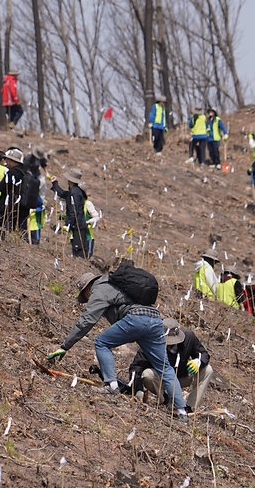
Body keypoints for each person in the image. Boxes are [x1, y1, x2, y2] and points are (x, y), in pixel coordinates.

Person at [47, 272, 188, 419]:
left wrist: (65, 346)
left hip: (136, 319)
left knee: (101, 342)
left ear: (88, 288)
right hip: (155, 320)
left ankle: (111, 385)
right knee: (165, 367)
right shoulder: (116, 284)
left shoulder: (99, 289)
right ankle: (182, 411)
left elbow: (86, 321)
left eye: (85, 295)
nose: (87, 299)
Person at [129, 318, 211, 410]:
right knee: (147, 374)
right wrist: (138, 389)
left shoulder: (189, 337)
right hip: (160, 379)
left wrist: (199, 361)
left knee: (207, 370)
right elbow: (136, 367)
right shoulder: (151, 342)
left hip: (181, 376)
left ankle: (189, 406)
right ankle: (166, 400)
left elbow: (203, 354)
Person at [50, 168, 89, 257]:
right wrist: (55, 184)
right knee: (76, 247)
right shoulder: (74, 190)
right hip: (77, 224)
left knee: (78, 249)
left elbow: (73, 210)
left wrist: (67, 224)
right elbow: (63, 194)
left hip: (78, 225)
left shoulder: (75, 193)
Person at [0, 149, 28, 232]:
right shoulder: (25, 173)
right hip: (21, 206)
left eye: (8, 160)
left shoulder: (12, 173)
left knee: (1, 226)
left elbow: (3, 187)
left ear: (13, 161)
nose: (6, 162)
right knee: (15, 228)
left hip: (9, 206)